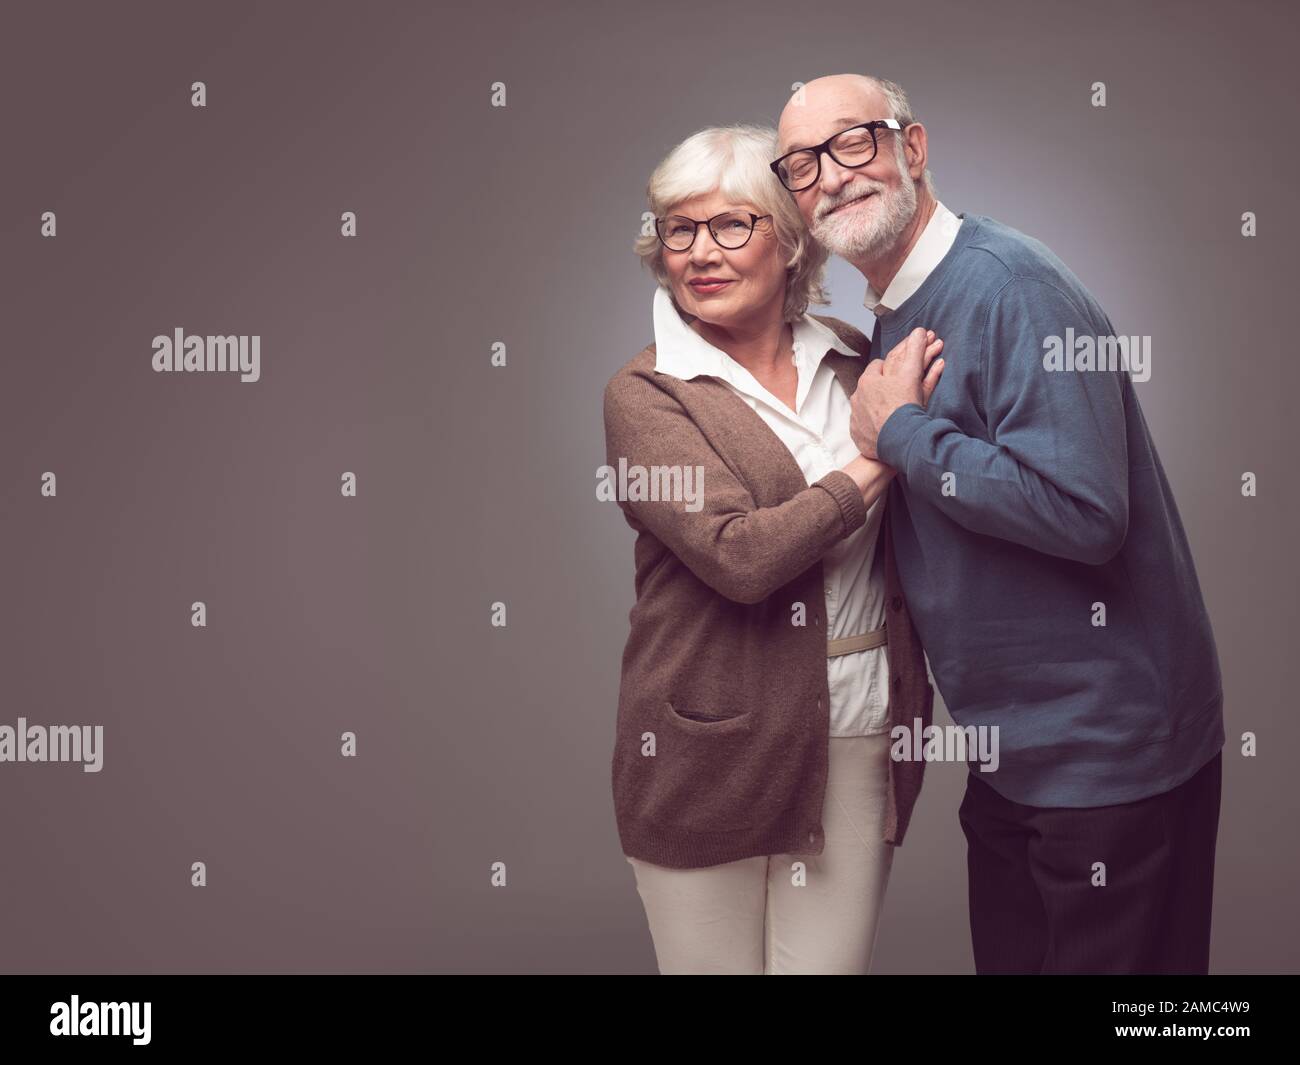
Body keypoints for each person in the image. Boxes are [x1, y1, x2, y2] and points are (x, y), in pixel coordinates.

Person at [774, 73, 1225, 974]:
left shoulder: (1013, 287)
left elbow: (1087, 511)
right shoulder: (898, 309)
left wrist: (900, 433)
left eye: (853, 142)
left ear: (913, 147)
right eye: (801, 163)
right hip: (1014, 761)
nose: (831, 175)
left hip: (1109, 762)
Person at [602, 124, 943, 974]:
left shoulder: (856, 362)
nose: (699, 253)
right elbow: (740, 556)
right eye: (678, 229)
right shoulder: (647, 395)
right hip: (705, 751)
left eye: (730, 226)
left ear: (789, 244)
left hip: (861, 731)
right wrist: (881, 449)